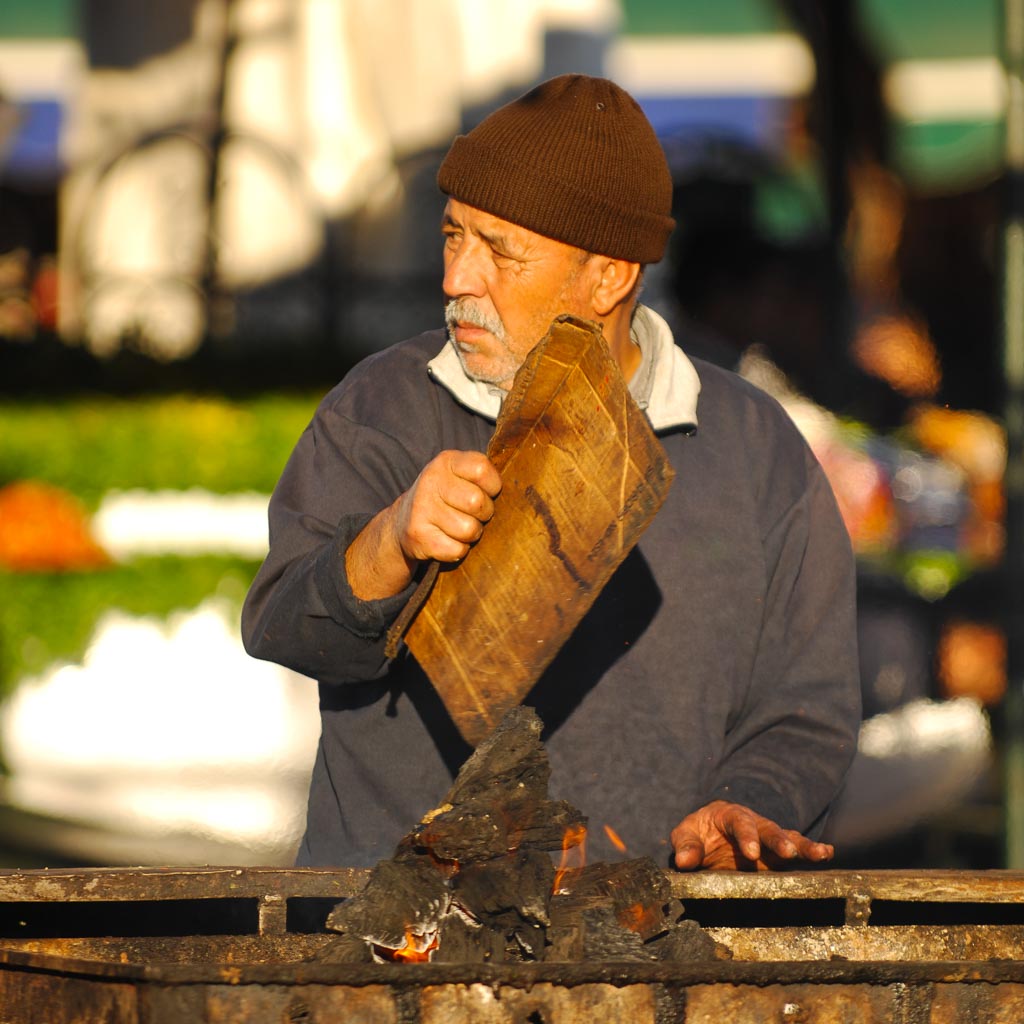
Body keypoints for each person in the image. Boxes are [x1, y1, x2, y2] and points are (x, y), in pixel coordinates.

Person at [242, 74, 861, 872]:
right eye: (452, 237)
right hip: (396, 949)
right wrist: (391, 541)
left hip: (653, 948)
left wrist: (752, 800)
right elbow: (280, 623)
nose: (458, 280)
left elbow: (808, 707)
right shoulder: (385, 407)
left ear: (610, 277)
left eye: (499, 251)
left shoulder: (752, 446)